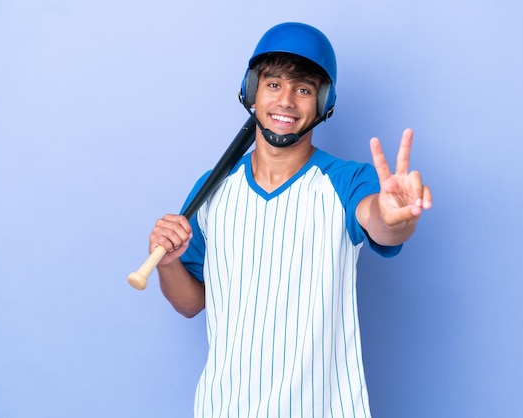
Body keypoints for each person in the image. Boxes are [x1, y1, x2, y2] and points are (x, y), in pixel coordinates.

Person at [147, 22, 432, 417]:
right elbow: (191, 303)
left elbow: (380, 221)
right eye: (274, 85)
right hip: (225, 407)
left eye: (303, 89)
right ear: (252, 91)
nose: (286, 101)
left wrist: (394, 215)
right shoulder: (212, 190)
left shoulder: (348, 181)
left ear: (323, 102)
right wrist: (168, 263)